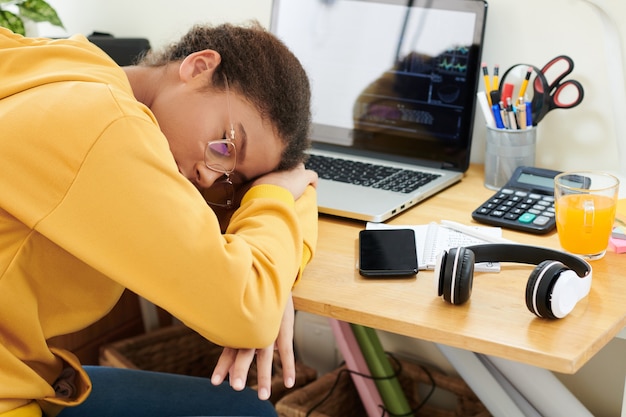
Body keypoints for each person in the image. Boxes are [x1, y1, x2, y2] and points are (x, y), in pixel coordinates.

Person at [0, 20, 318, 417]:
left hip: (21, 371)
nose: (211, 176)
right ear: (199, 67)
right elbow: (249, 311)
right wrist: (279, 195)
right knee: (247, 412)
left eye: (235, 178)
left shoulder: (69, 64)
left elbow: (255, 280)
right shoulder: (108, 129)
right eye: (226, 143)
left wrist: (277, 260)